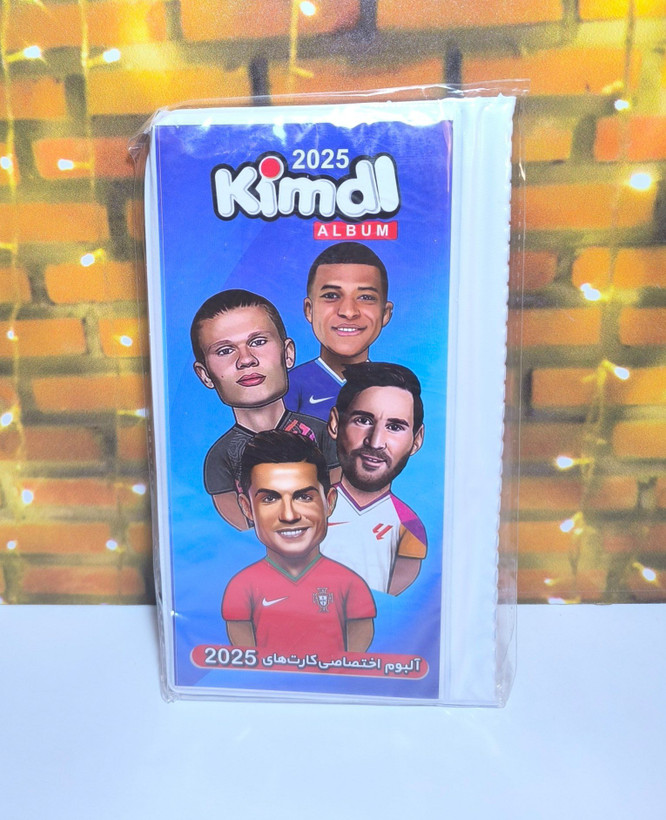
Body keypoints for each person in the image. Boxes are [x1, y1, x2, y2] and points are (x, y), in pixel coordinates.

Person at [191, 289, 338, 529]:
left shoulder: (323, 435)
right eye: (225, 350)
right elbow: (242, 532)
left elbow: (338, 512)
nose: (246, 359)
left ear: (288, 354)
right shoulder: (221, 458)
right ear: (205, 375)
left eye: (258, 342)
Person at [222, 431, 376, 656]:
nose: (289, 515)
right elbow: (247, 658)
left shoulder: (350, 585)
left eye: (303, 497)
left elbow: (356, 654)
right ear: (247, 508)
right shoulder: (242, 588)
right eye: (270, 498)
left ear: (329, 502)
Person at [322, 362, 427, 595]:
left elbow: (395, 600)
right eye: (364, 420)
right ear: (335, 424)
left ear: (417, 440)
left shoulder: (408, 527)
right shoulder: (302, 508)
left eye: (395, 427)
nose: (376, 441)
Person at [285, 242, 393, 421]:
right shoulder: (289, 387)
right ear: (309, 310)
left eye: (366, 297)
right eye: (331, 296)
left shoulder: (394, 390)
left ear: (385, 313)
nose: (348, 312)